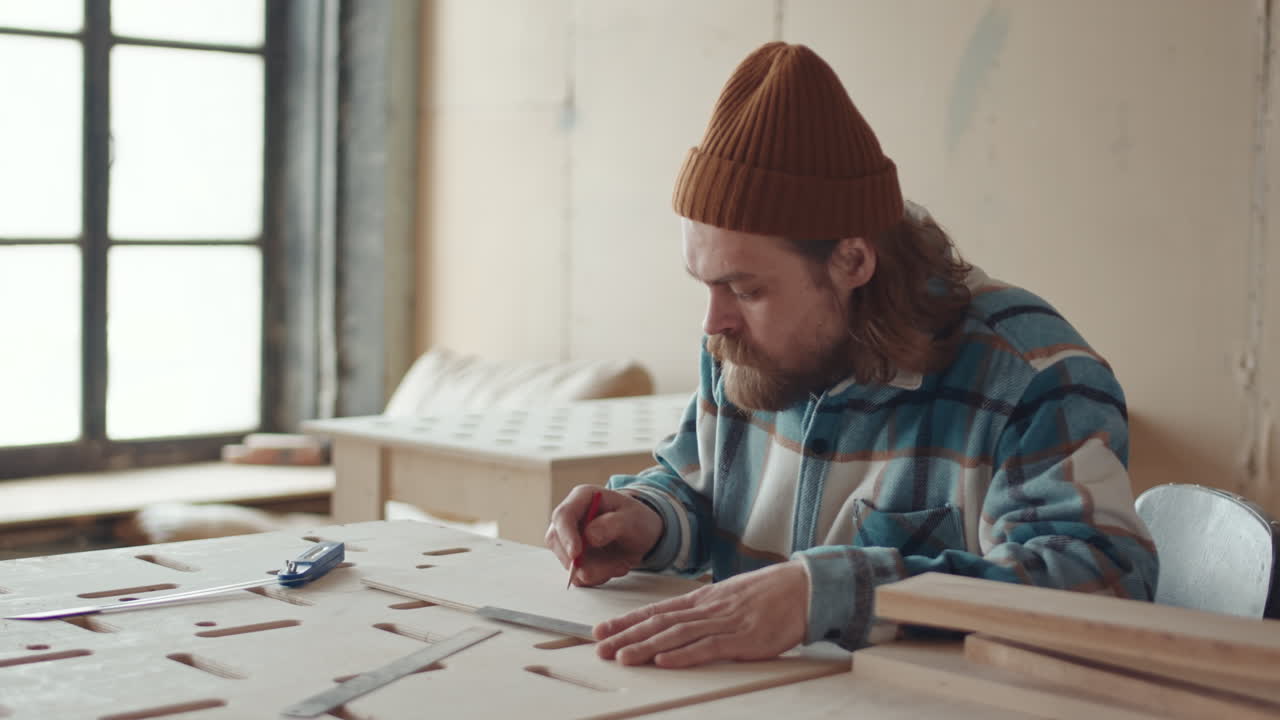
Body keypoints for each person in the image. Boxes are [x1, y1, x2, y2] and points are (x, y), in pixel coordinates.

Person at [545, 41, 1158, 669]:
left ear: (852, 260)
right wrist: (648, 519)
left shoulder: (1031, 375)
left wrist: (831, 594)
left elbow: (1103, 581)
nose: (713, 322)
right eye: (705, 283)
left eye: (747, 289)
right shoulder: (741, 340)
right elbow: (700, 488)